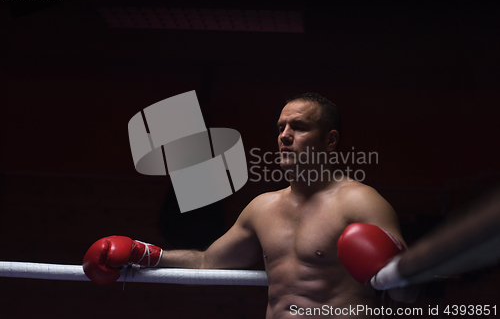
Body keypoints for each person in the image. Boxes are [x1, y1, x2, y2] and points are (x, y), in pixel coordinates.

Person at [84, 93, 418, 318]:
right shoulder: (263, 208)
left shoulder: (360, 201)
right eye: (281, 127)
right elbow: (206, 263)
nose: (284, 135)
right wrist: (146, 255)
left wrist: (398, 275)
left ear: (329, 141)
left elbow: (407, 293)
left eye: (299, 127)